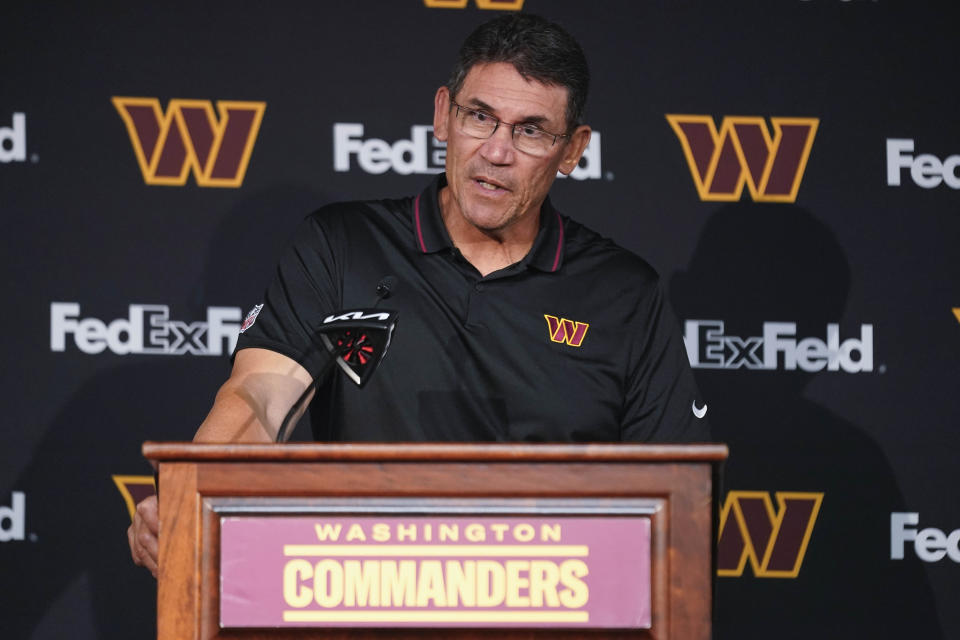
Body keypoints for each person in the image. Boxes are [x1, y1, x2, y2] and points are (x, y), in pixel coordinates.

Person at [128, 13, 709, 576]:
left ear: (574, 149)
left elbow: (678, 505)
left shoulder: (623, 293)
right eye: (479, 116)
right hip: (365, 595)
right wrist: (191, 497)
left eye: (530, 130)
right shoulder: (343, 246)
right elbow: (259, 399)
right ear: (442, 115)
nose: (497, 151)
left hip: (551, 602)